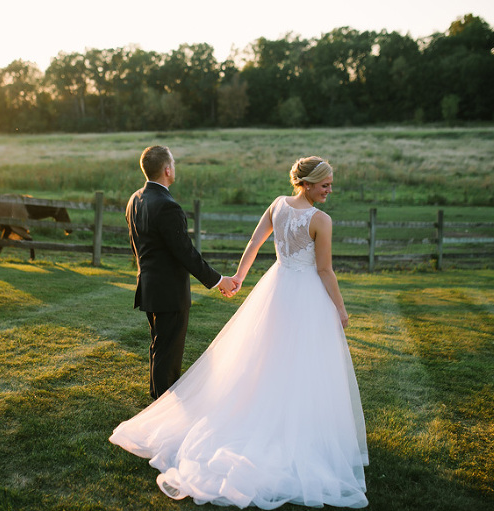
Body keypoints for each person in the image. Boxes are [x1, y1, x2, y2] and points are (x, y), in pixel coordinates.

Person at [110, 156, 369, 509]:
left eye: (330, 185)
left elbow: (255, 243)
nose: (329, 190)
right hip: (304, 293)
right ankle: (288, 427)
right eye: (324, 184)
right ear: (306, 184)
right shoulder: (321, 221)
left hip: (277, 288)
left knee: (268, 355)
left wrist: (240, 279)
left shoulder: (278, 205)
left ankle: (273, 414)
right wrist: (339, 309)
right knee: (298, 359)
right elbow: (325, 270)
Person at [126, 145, 239, 400]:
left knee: (159, 349)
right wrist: (219, 280)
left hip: (148, 287)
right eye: (173, 164)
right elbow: (185, 252)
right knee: (168, 355)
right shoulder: (168, 206)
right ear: (167, 169)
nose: (174, 168)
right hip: (169, 292)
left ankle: (157, 404)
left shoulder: (135, 199)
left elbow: (136, 245)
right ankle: (163, 409)